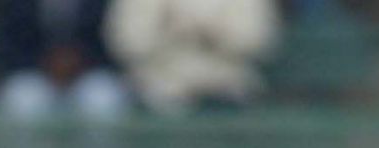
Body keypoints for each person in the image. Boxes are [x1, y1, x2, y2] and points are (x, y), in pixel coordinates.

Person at [104, 0, 279, 114]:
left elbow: (257, 41)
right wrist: (171, 30)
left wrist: (211, 33)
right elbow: (127, 43)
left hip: (227, 88)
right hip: (156, 88)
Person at [0, 0, 130, 122]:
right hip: (34, 72)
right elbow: (8, 41)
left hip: (90, 72)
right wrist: (45, 64)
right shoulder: (18, 3)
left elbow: (115, 41)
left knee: (103, 99)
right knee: (22, 100)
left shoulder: (102, 2)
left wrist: (79, 62)